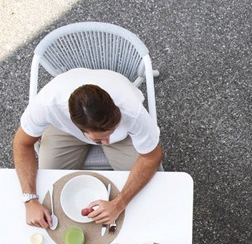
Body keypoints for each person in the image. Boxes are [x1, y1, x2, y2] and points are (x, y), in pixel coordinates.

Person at [13, 68, 164, 230]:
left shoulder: (132, 111)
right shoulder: (46, 104)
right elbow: (22, 143)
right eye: (99, 140)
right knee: (48, 184)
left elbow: (152, 156)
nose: (106, 143)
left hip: (124, 136)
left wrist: (119, 203)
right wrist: (30, 200)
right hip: (65, 133)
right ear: (78, 127)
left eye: (110, 132)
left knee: (147, 189)